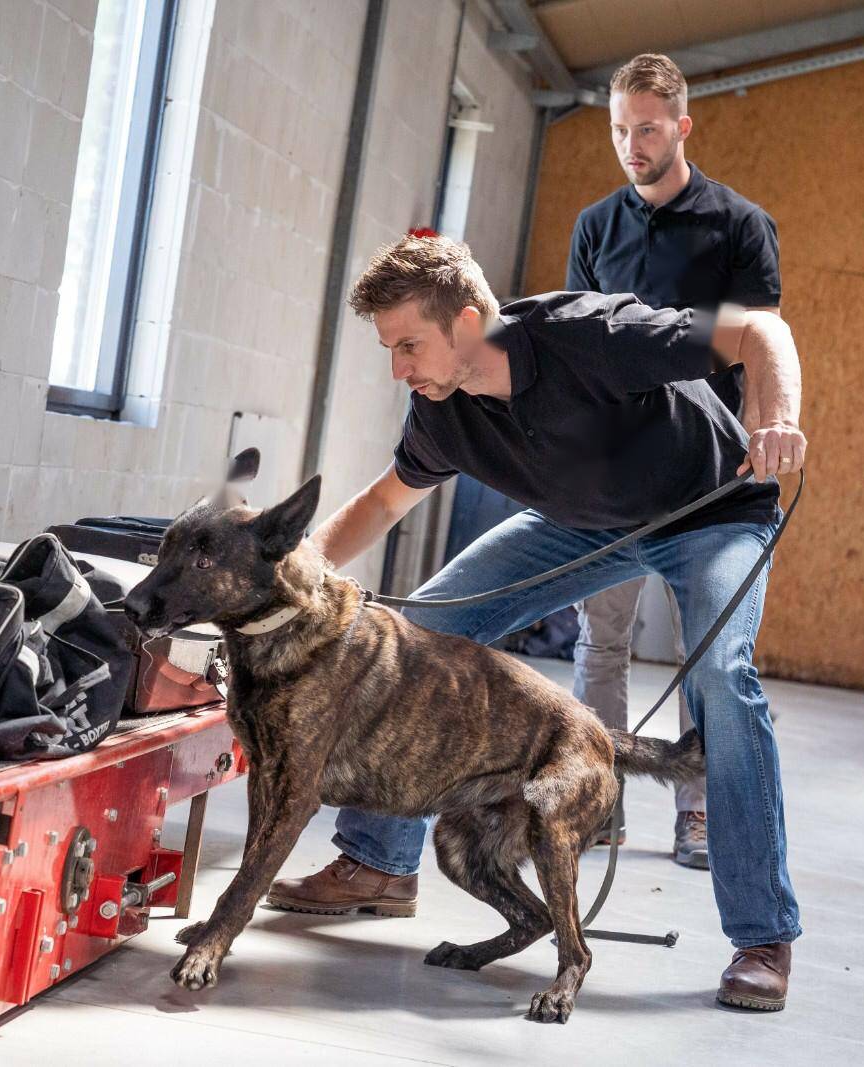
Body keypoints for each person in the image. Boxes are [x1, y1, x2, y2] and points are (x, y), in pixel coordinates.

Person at [265, 233, 806, 1010]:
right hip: (585, 526)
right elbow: (384, 502)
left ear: (471, 320)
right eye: (390, 349)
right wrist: (299, 563)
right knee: (414, 631)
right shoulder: (441, 411)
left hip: (713, 512)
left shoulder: (589, 335)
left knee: (722, 674)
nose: (399, 369)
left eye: (409, 344)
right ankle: (380, 861)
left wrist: (777, 416)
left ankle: (762, 933)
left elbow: (761, 331)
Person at [568, 53, 783, 867]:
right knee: (602, 642)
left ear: (683, 125)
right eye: (620, 129)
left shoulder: (738, 226)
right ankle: (600, 800)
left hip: (709, 481)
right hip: (616, 474)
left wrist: (766, 433)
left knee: (708, 655)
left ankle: (697, 811)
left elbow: (761, 348)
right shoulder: (595, 228)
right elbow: (580, 349)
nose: (631, 144)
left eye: (647, 128)